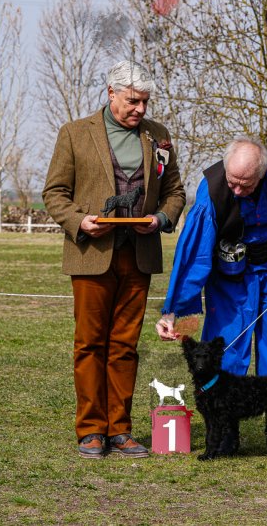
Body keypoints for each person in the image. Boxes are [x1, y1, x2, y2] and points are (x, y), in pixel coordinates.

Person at [43, 60, 186, 459]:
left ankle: (120, 430)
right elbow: (54, 193)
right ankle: (91, 430)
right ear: (110, 93)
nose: (140, 109)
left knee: (125, 345)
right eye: (132, 101)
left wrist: (160, 219)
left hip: (138, 257)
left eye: (145, 102)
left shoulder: (159, 136)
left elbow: (175, 192)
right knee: (90, 344)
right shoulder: (74, 133)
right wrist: (79, 221)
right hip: (91, 256)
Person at [155, 137, 267, 458]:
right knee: (226, 349)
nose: (235, 190)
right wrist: (172, 311)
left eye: (245, 184)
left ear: (262, 173)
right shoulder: (212, 190)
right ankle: (227, 435)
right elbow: (193, 254)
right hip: (230, 276)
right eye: (232, 181)